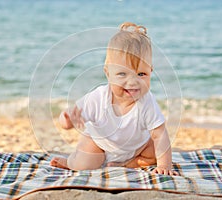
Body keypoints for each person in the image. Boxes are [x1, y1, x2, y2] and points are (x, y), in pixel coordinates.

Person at [50, 22, 178, 176]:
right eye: (122, 74)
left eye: (141, 74)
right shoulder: (98, 98)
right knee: (85, 164)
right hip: (99, 144)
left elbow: (160, 134)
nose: (133, 82)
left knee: (156, 150)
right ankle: (70, 162)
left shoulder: (147, 102)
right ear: (108, 73)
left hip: (135, 148)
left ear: (150, 71)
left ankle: (129, 163)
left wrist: (165, 165)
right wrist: (68, 120)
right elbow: (69, 118)